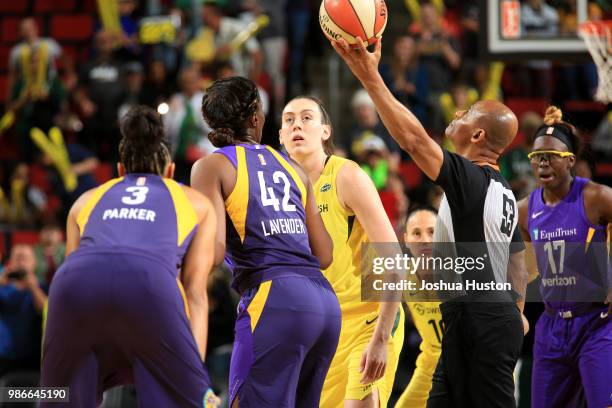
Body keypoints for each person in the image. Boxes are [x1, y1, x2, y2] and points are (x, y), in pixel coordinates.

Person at [331, 37, 529, 407]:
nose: (457, 113)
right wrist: (516, 312)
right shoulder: (500, 188)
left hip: (479, 315)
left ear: (478, 135)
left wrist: (371, 78)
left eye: (467, 112)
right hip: (476, 316)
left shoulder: (471, 178)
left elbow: (413, 141)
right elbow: (517, 257)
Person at [40, 105, 219, 407]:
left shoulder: (85, 200)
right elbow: (195, 293)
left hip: (74, 284)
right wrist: (190, 374)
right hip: (148, 284)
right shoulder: (195, 201)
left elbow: (76, 277)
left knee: (56, 397)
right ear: (171, 172)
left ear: (120, 171)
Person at [191, 76, 341, 408]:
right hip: (325, 306)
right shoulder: (293, 167)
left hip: (275, 300)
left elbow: (213, 251)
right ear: (255, 118)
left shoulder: (211, 166)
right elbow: (325, 254)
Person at [279, 96, 403, 408]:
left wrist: (381, 339)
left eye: (307, 118)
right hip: (320, 330)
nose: (297, 124)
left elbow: (395, 261)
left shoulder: (346, 176)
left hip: (368, 321)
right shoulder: (279, 190)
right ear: (280, 135)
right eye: (289, 119)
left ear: (325, 131)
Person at [517, 106, 612, 408]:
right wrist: (515, 309)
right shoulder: (523, 210)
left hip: (596, 322)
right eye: (537, 157)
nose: (543, 162)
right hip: (552, 325)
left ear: (570, 161)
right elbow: (523, 270)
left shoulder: (596, 197)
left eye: (551, 156)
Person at [395, 207, 442, 408]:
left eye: (432, 232)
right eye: (417, 233)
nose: (425, 239)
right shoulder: (401, 275)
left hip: (471, 364)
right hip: (429, 364)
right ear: (406, 239)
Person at [0, 244, 47, 378]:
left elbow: (47, 312)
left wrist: (33, 288)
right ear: (10, 262)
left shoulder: (42, 286)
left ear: (34, 263)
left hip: (32, 356)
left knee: (27, 395)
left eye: (25, 258)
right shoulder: (2, 285)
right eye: (17, 258)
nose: (21, 262)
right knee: (4, 396)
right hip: (3, 355)